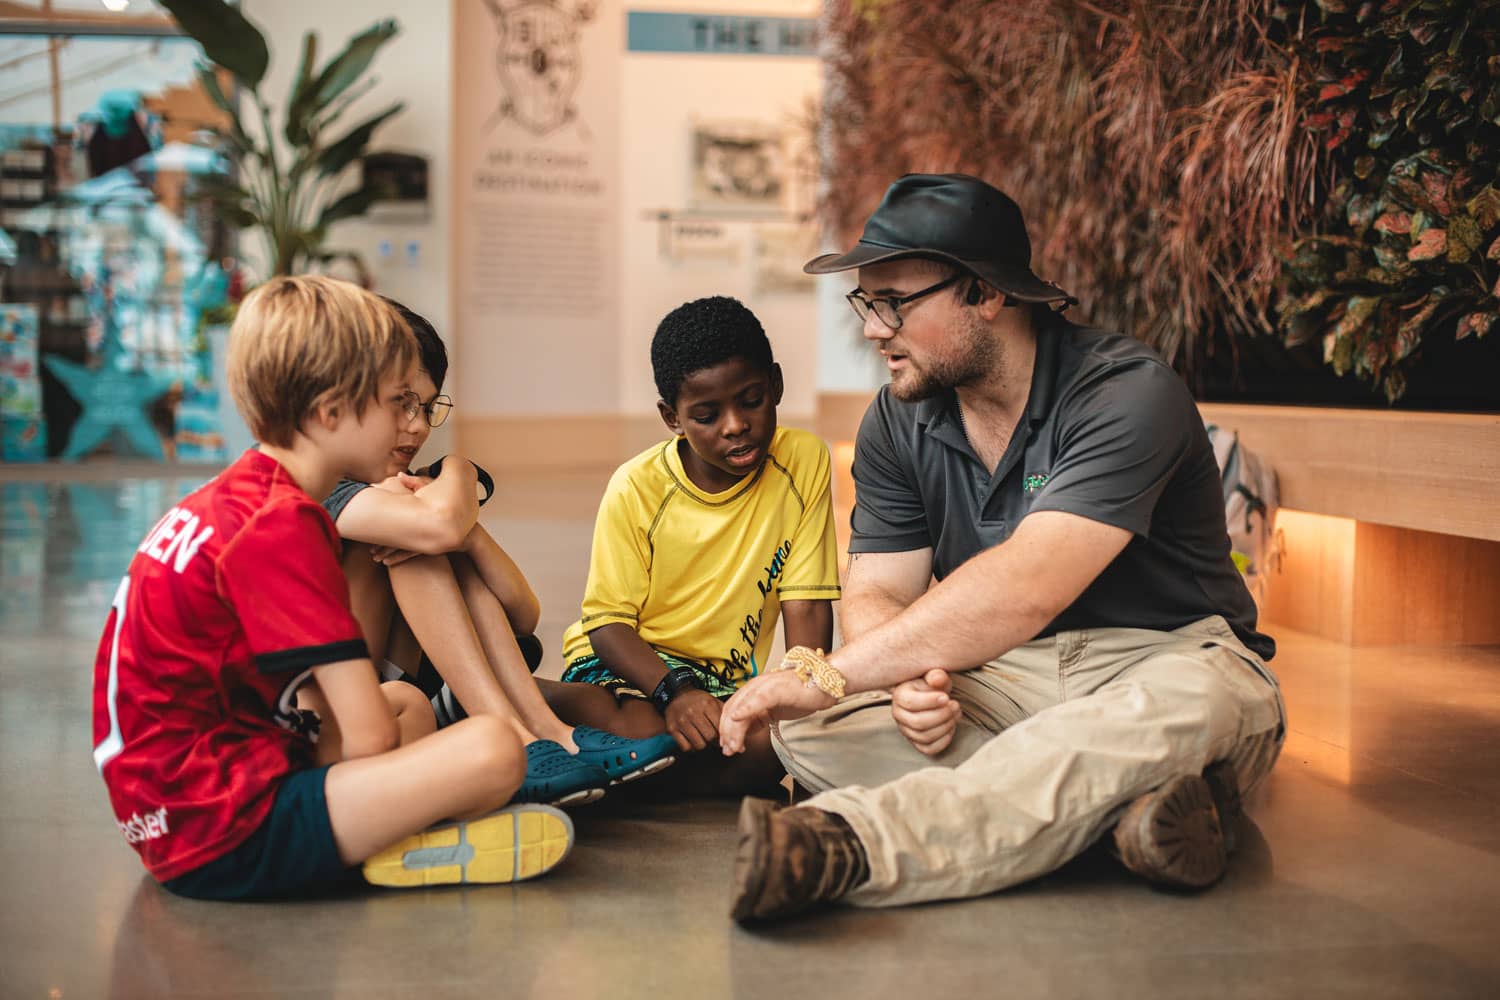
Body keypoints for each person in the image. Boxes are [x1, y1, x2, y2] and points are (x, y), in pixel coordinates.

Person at [717, 173, 1286, 921]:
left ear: (986, 293)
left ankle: (849, 845)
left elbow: (1027, 587)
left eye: (894, 302)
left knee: (1179, 709)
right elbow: (877, 589)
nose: (871, 329)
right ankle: (1122, 817)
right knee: (809, 728)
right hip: (1000, 677)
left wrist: (835, 673)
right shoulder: (896, 419)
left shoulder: (1127, 392)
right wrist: (906, 681)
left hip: (1167, 658)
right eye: (865, 301)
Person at [90, 275, 573, 900]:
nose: (413, 423)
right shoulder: (283, 524)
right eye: (396, 401)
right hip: (219, 831)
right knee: (491, 748)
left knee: (411, 704)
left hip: (170, 809)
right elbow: (368, 736)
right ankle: (387, 845)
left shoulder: (237, 497)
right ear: (331, 412)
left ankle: (380, 827)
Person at [320, 300, 677, 806]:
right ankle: (519, 734)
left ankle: (546, 731)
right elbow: (439, 525)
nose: (419, 426)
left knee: (431, 534)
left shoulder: (416, 493)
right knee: (420, 536)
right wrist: (460, 473)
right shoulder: (331, 490)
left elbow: (523, 613)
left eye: (427, 407)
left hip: (424, 691)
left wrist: (468, 532)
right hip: (370, 709)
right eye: (401, 404)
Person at [541, 296, 841, 796]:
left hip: (720, 686)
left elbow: (807, 605)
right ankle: (527, 704)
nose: (734, 425)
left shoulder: (803, 461)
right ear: (672, 417)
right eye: (707, 414)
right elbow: (607, 624)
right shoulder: (636, 486)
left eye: (751, 400)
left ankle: (599, 763)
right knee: (640, 723)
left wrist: (806, 708)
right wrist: (675, 691)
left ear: (777, 385)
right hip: (637, 671)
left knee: (774, 748)